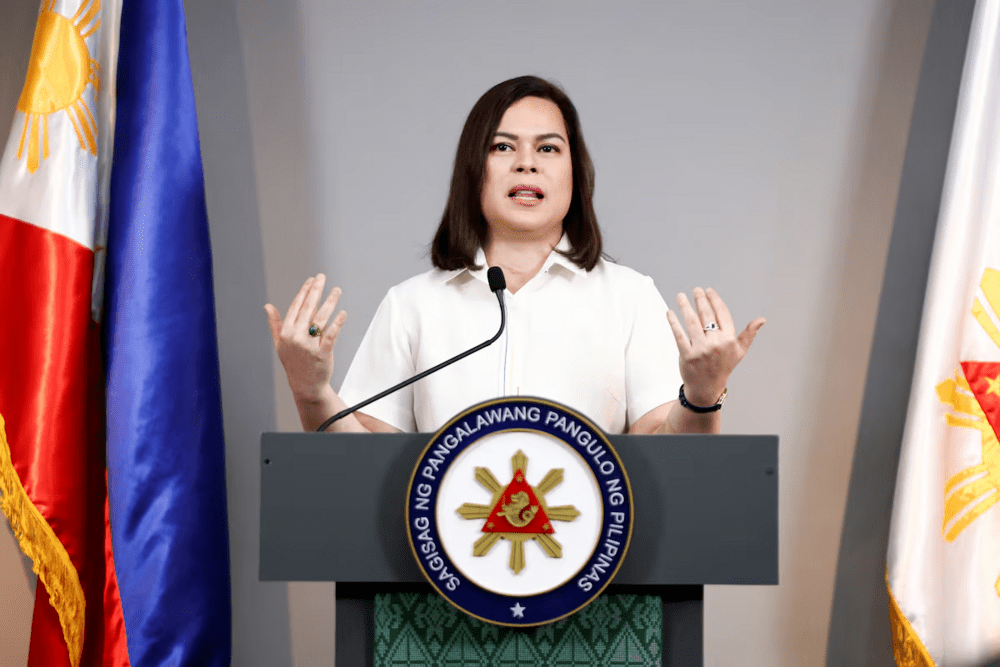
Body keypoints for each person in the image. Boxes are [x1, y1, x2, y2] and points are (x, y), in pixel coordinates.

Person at [264, 75, 764, 437]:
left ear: (575, 174)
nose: (526, 163)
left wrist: (702, 395)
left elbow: (665, 459)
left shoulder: (629, 298)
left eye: (548, 149)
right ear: (473, 170)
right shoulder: (412, 305)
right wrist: (312, 392)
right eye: (503, 147)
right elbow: (368, 465)